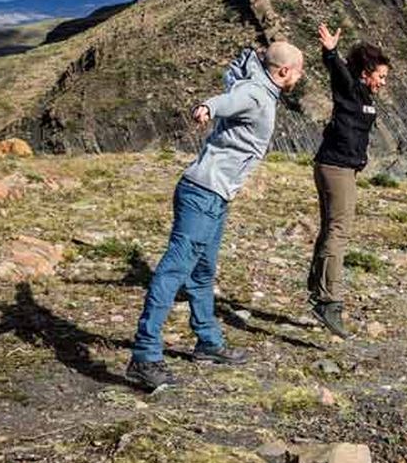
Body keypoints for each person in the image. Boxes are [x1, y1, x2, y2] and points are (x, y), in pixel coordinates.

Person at [126, 41, 305, 390]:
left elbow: (236, 81)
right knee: (174, 270)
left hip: (214, 197)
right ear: (284, 71)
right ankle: (144, 356)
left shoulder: (260, 86)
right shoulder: (255, 94)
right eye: (298, 71)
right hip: (203, 195)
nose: (300, 77)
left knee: (202, 272)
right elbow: (229, 100)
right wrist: (208, 106)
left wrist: (245, 62)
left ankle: (208, 341)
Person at [306, 23, 391, 338]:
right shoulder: (350, 88)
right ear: (366, 73)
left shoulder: (365, 95)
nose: (383, 82)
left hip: (341, 168)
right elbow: (338, 71)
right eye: (381, 76)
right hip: (336, 168)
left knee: (331, 228)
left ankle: (317, 287)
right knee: (339, 232)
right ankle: (329, 302)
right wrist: (331, 52)